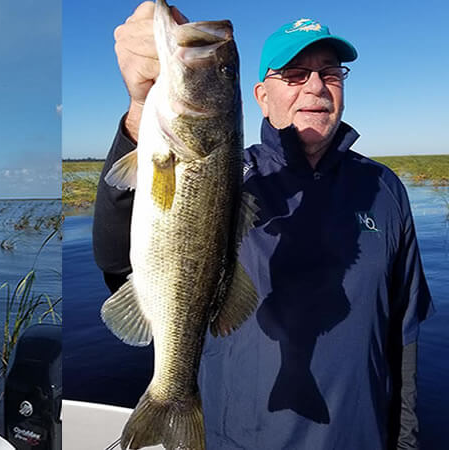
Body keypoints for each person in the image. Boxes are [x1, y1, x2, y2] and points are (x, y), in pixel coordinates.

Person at [92, 2, 434, 448]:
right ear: (260, 96)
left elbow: (403, 332)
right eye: (293, 74)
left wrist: (405, 441)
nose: (315, 86)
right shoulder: (238, 178)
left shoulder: (385, 189)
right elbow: (116, 257)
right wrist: (139, 114)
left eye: (330, 72)